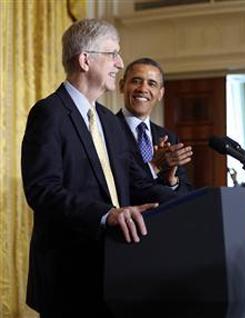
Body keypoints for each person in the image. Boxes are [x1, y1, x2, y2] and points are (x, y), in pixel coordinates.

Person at [21, 19, 180, 317]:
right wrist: (107, 215)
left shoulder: (109, 120)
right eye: (112, 54)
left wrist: (198, 200)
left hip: (115, 272)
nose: (120, 63)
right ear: (85, 60)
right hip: (68, 278)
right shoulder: (49, 114)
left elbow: (137, 184)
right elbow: (42, 191)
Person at [117, 58, 192, 192]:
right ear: (122, 85)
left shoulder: (169, 138)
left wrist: (171, 181)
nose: (143, 89)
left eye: (151, 84)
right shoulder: (106, 128)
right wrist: (154, 166)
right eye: (136, 81)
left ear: (160, 93)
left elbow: (185, 191)